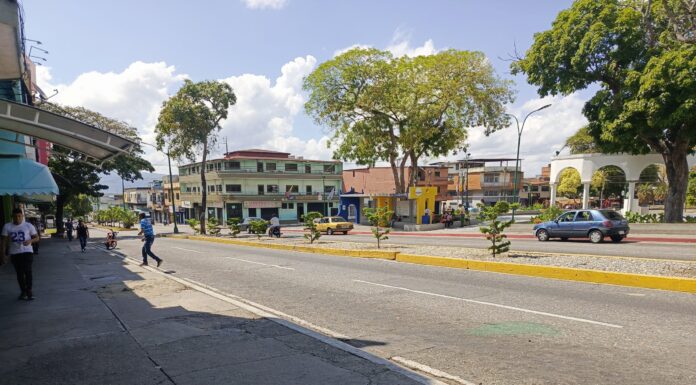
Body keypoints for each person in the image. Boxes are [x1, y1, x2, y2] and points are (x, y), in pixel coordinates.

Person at [1, 208, 40, 300]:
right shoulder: (7, 226)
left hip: (27, 251)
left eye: (19, 216)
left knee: (28, 271)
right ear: (12, 217)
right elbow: (3, 242)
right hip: (15, 253)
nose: (17, 218)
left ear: (22, 216)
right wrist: (2, 254)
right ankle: (23, 292)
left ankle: (29, 290)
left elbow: (37, 238)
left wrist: (30, 240)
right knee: (19, 273)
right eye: (15, 217)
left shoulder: (28, 225)